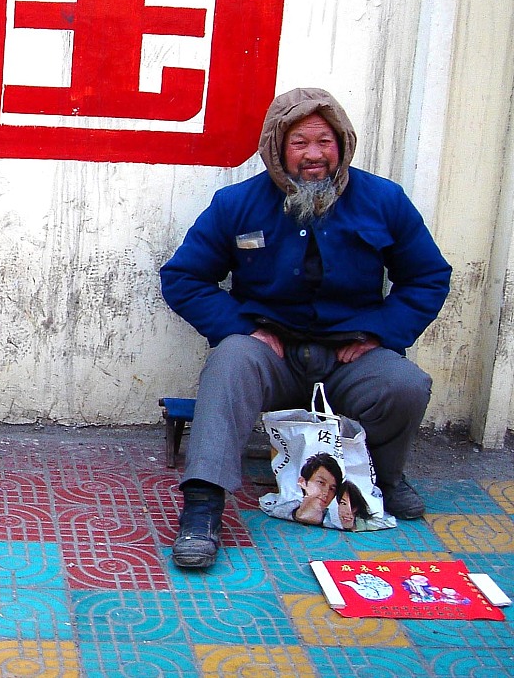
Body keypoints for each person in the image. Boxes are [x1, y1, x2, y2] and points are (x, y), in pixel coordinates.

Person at [160, 87, 451, 569]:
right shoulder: (237, 204)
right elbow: (183, 277)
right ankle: (203, 506)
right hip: (272, 353)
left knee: (406, 384)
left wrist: (382, 332)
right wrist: (242, 327)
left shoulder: (384, 200)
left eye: (325, 141)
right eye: (300, 143)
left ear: (343, 143)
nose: (315, 155)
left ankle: (383, 478)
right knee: (230, 362)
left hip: (348, 356)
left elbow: (427, 276)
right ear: (277, 148)